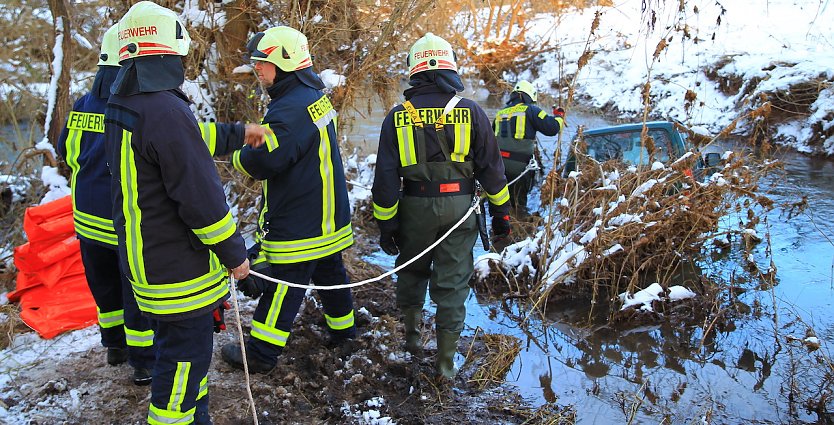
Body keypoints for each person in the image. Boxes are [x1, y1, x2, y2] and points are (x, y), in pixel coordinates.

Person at [103, 2, 251, 423]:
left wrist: (236, 134)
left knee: (180, 363)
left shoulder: (125, 103)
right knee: (182, 371)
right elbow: (201, 200)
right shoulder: (166, 111)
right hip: (176, 272)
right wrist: (234, 254)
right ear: (169, 54)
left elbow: (169, 149)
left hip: (144, 261)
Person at [371, 33, 511, 380]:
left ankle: (412, 342)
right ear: (450, 68)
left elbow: (385, 182)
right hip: (460, 209)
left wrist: (387, 226)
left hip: (414, 207)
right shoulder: (472, 112)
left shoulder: (395, 117)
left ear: (414, 70)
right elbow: (492, 170)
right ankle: (446, 365)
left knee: (412, 270)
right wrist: (501, 215)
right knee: (452, 283)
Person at [221, 26, 357, 373]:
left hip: (302, 220)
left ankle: (262, 355)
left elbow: (265, 160)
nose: (258, 71)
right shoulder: (313, 95)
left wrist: (237, 155)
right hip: (327, 215)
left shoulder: (288, 109)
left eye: (262, 64)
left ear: (284, 62)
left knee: (285, 284)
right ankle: (345, 333)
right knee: (330, 273)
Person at [56, 24, 155, 386]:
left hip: (86, 220)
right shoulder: (131, 106)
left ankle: (114, 346)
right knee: (136, 294)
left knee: (105, 288)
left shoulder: (83, 103)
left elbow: (67, 153)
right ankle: (144, 362)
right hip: (121, 220)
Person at [493, 80, 565, 216]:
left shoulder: (500, 113)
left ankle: (499, 230)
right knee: (518, 202)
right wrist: (559, 116)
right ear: (529, 97)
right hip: (520, 166)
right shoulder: (531, 110)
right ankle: (518, 228)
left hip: (499, 166)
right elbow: (552, 128)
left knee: (500, 202)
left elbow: (490, 139)